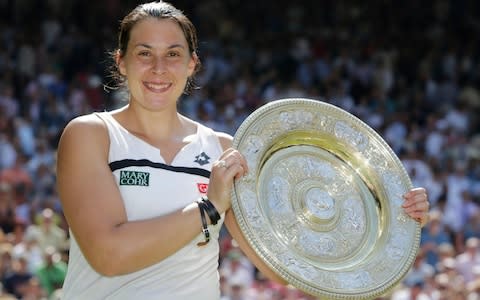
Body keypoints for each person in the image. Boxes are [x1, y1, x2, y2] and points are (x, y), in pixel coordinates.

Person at [56, 1, 430, 299]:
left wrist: (388, 217)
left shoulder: (222, 149)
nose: (158, 68)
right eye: (144, 53)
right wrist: (209, 208)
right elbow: (109, 255)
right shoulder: (91, 134)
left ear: (191, 65)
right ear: (121, 62)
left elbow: (278, 264)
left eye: (173, 54)